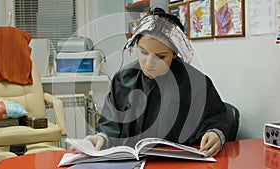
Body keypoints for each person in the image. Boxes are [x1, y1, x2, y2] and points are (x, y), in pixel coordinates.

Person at [82, 7, 230, 157]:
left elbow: (217, 118)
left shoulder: (196, 83)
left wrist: (215, 133)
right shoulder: (123, 80)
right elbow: (110, 123)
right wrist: (101, 137)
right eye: (143, 52)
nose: (149, 63)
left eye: (160, 56)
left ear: (174, 53)